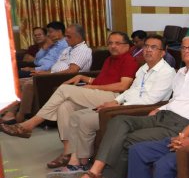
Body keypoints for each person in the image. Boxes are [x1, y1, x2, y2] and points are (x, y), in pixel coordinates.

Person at [62, 37, 189, 178]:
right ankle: (96, 171)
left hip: (181, 124)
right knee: (119, 121)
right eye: (184, 47)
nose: (187, 50)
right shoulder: (180, 73)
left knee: (130, 139)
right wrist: (161, 108)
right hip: (163, 114)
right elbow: (177, 99)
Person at [46, 35, 176, 178]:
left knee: (84, 119)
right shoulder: (143, 69)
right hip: (124, 105)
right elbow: (129, 91)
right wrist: (114, 101)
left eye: (153, 47)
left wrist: (119, 106)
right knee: (76, 116)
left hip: (138, 111)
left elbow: (151, 101)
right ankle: (81, 161)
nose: (148, 50)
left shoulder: (167, 72)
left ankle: (78, 164)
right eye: (146, 46)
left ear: (163, 52)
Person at [1, 30, 131, 142]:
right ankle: (68, 152)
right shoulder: (109, 59)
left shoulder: (129, 60)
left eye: (117, 43)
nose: (113, 46)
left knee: (64, 89)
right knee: (64, 107)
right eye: (110, 43)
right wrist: (83, 77)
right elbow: (102, 80)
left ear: (127, 45)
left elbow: (122, 86)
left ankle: (29, 125)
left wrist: (90, 87)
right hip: (99, 92)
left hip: (114, 98)